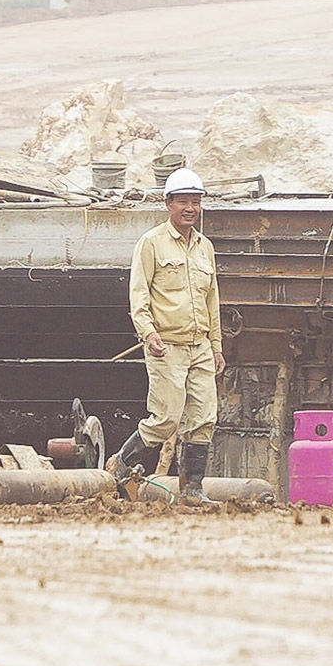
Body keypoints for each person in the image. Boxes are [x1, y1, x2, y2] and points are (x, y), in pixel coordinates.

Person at [109, 168, 223, 504]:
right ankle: (121, 464)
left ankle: (192, 489)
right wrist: (148, 333)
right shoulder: (151, 243)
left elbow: (212, 299)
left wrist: (216, 346)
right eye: (184, 202)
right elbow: (139, 295)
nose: (190, 208)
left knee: (204, 418)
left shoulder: (205, 248)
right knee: (166, 419)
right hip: (167, 347)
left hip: (200, 345)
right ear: (168, 203)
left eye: (196, 202)